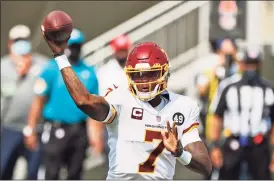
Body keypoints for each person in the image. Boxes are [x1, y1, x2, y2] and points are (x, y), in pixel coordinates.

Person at [42, 28, 212, 179]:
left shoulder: (182, 107)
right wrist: (60, 56)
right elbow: (84, 100)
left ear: (164, 73)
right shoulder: (120, 98)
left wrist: (180, 152)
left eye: (150, 74)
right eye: (137, 75)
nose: (143, 81)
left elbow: (205, 166)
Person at [25, 29, 99, 179]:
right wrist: (30, 128)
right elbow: (38, 100)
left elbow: (93, 106)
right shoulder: (51, 68)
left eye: (77, 46)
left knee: (75, 173)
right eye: (71, 45)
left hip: (79, 130)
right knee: (51, 172)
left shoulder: (89, 72)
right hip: (55, 128)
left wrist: (95, 136)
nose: (74, 49)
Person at [209, 48, 274, 179]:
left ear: (260, 64)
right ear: (241, 64)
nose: (251, 68)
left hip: (258, 144)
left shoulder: (268, 88)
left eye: (254, 64)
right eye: (248, 64)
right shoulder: (228, 86)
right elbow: (217, 117)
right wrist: (214, 146)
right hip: (233, 142)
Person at [1, 24, 48, 179]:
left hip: (36, 129)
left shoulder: (43, 65)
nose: (21, 44)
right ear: (10, 43)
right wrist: (18, 74)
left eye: (24, 40)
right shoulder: (3, 67)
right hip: (9, 129)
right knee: (4, 169)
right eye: (17, 40)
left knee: (34, 172)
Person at [195, 38, 238, 142]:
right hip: (212, 119)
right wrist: (216, 70)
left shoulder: (238, 70)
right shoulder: (211, 70)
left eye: (230, 55)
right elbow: (201, 90)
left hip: (233, 121)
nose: (227, 58)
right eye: (224, 54)